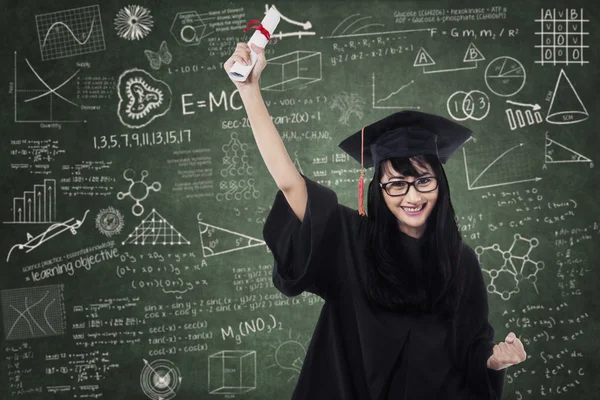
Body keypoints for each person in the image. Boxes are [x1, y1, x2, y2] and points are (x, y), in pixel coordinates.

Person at [224, 42, 527, 400]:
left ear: (440, 185)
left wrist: (494, 359)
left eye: (423, 181)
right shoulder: (351, 241)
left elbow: (473, 347)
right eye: (397, 184)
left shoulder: (461, 262)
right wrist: (249, 89)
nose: (412, 197)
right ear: (378, 190)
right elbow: (290, 182)